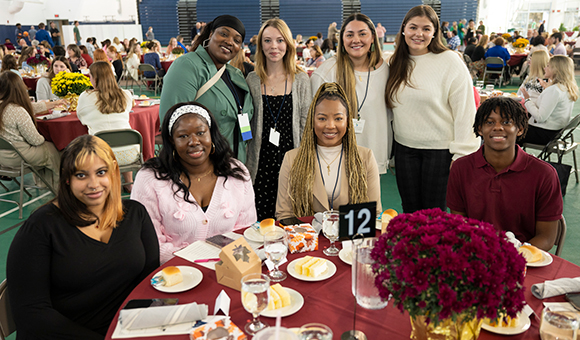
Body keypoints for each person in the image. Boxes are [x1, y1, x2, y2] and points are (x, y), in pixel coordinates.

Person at [6, 134, 160, 339]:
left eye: (101, 172)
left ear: (114, 172)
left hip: (122, 330)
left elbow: (148, 281)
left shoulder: (135, 214)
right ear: (67, 178)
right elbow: (31, 313)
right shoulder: (41, 227)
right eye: (81, 175)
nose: (93, 184)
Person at [131, 102, 257, 264]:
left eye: (200, 133)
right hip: (175, 276)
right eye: (183, 136)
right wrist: (198, 264)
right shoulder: (150, 178)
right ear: (171, 141)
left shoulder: (236, 172)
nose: (194, 141)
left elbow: (246, 231)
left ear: (211, 134)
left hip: (228, 271)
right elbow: (150, 242)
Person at [385, 5, 480, 213]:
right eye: (413, 27)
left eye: (426, 29)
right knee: (410, 210)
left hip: (439, 152)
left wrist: (461, 155)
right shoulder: (395, 62)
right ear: (403, 29)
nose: (419, 34)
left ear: (435, 32)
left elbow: (465, 111)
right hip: (404, 150)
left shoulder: (450, 61)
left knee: (433, 214)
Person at [447, 97, 562, 251]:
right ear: (479, 128)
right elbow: (459, 225)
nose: (498, 127)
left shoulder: (544, 174)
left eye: (507, 122)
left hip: (523, 258)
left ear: (520, 129)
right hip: (475, 254)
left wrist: (509, 257)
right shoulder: (460, 169)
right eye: (489, 122)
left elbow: (546, 238)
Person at [276, 82, 381, 220]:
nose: (330, 126)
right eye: (322, 118)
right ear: (311, 121)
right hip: (307, 238)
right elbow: (284, 214)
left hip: (351, 238)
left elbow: (374, 213)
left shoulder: (365, 157)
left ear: (348, 121)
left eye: (338, 118)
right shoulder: (292, 158)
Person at [159, 15, 254, 163]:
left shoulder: (236, 75)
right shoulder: (187, 66)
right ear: (210, 35)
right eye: (223, 34)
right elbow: (171, 123)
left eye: (237, 40)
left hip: (236, 164)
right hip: (201, 166)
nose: (229, 41)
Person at [246, 18, 312, 220]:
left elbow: (305, 124)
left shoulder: (300, 79)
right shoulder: (252, 80)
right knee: (262, 224)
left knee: (290, 221)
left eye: (280, 40)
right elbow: (246, 122)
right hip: (261, 163)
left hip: (291, 162)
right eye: (267, 41)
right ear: (260, 45)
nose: (274, 46)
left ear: (288, 44)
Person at [311, 13, 390, 174]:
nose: (356, 40)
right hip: (334, 163)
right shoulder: (326, 73)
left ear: (373, 38)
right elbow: (312, 121)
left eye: (362, 34)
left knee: (370, 199)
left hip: (373, 160)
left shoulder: (386, 71)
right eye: (349, 35)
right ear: (342, 39)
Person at [77, 61, 138, 191]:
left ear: (96, 78)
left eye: (90, 76)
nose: (89, 79)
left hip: (101, 154)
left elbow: (81, 118)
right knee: (121, 136)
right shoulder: (126, 94)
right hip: (130, 153)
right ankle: (129, 183)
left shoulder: (85, 97)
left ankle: (107, 184)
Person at [0, 71, 65, 187]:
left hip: (2, 158)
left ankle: (43, 184)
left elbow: (30, 107)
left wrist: (54, 103)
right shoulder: (17, 110)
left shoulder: (7, 106)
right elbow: (36, 140)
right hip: (18, 157)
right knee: (53, 148)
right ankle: (58, 188)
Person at [519, 55, 579, 145]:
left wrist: (527, 99)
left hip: (545, 133)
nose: (545, 68)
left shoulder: (554, 90)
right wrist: (547, 88)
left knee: (510, 132)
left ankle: (515, 158)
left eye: (548, 66)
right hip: (556, 132)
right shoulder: (566, 87)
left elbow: (540, 117)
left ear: (555, 70)